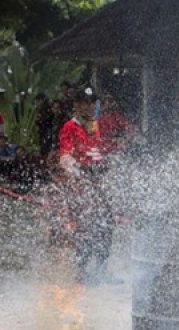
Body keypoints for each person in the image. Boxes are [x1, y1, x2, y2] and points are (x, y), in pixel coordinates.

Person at [59, 85, 119, 284]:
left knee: (107, 225)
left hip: (99, 183)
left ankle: (102, 270)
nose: (90, 107)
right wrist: (81, 170)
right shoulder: (70, 127)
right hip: (81, 185)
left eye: (93, 103)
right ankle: (82, 272)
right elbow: (65, 157)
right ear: (77, 105)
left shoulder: (96, 125)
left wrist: (107, 161)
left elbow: (99, 150)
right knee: (85, 228)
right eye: (85, 103)